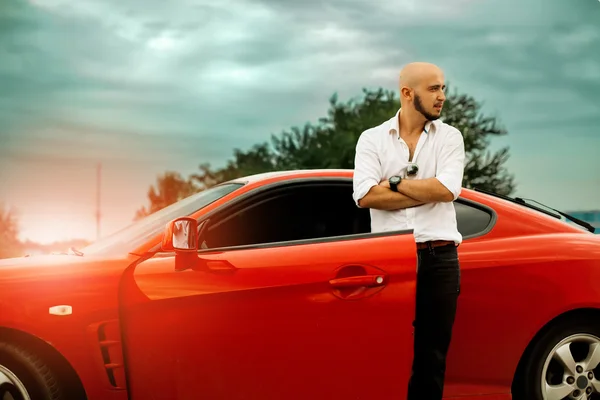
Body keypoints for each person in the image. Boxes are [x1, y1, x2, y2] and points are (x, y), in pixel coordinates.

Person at [352, 61, 465, 400]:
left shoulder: (450, 137)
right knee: (388, 351)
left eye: (443, 88)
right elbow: (366, 195)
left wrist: (396, 183)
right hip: (389, 259)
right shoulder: (372, 139)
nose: (442, 96)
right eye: (433, 88)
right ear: (407, 93)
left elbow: (446, 190)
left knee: (432, 358)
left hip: (440, 256)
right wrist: (420, 190)